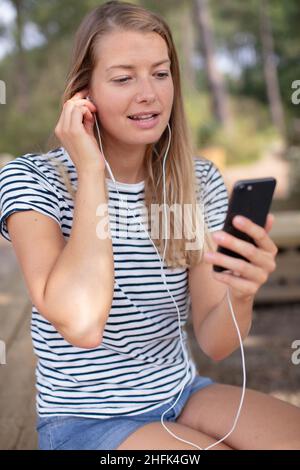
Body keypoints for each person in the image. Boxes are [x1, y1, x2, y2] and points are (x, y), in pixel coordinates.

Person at [0, 0, 299, 451]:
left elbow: (217, 343)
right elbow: (82, 324)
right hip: (85, 420)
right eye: (123, 78)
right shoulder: (32, 180)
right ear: (84, 92)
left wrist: (241, 291)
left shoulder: (198, 180)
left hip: (181, 394)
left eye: (160, 74)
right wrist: (92, 172)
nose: (150, 94)